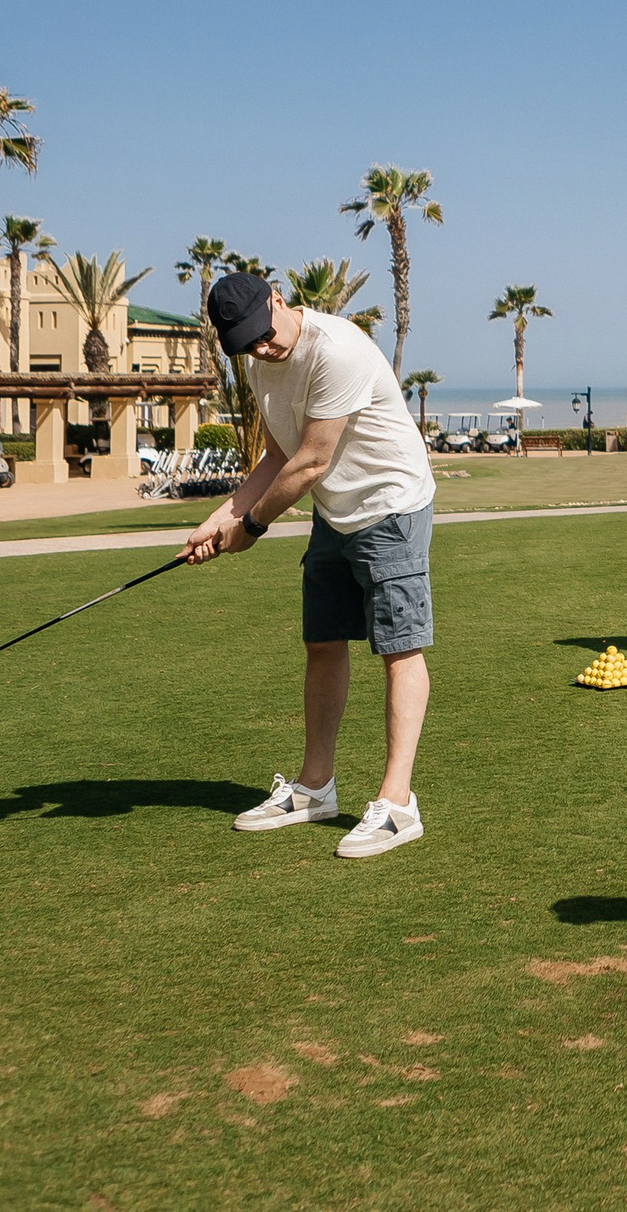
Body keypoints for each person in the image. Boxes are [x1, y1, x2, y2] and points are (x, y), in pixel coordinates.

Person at [186, 273, 438, 860]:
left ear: (278, 297)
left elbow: (310, 461)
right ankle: (314, 789)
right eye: (246, 343)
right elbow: (276, 455)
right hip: (336, 511)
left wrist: (247, 529)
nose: (261, 348)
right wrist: (219, 517)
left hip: (389, 503)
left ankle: (398, 805)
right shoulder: (258, 363)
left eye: (264, 334)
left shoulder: (338, 348)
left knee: (399, 649)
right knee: (323, 642)